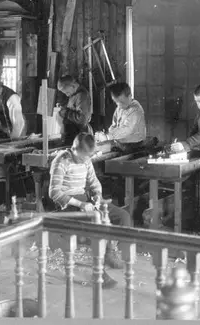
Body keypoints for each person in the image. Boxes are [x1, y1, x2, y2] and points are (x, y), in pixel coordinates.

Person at [49, 133, 131, 275]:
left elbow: (94, 183)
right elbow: (54, 192)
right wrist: (80, 204)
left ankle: (112, 250)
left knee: (123, 216)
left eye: (88, 157)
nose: (85, 160)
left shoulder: (86, 160)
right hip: (69, 205)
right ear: (74, 149)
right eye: (83, 157)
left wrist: (98, 196)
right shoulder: (61, 161)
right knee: (98, 220)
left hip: (87, 201)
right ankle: (101, 264)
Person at [94, 82, 147, 153]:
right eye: (116, 102)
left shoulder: (135, 110)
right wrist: (105, 134)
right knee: (98, 147)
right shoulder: (119, 108)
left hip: (135, 145)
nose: (119, 105)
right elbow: (114, 125)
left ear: (130, 96)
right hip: (121, 143)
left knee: (104, 149)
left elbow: (126, 130)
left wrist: (108, 136)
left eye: (122, 102)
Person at [56, 75, 93, 143]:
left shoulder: (82, 96)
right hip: (73, 135)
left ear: (73, 86)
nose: (67, 95)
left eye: (67, 92)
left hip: (80, 137)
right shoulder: (74, 94)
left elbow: (82, 119)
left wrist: (66, 112)